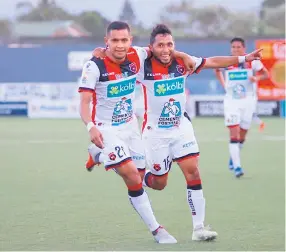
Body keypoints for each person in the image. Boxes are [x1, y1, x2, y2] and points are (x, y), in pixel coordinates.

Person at [89, 24, 263, 241]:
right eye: (160, 45)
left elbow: (213, 62)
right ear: (151, 47)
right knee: (159, 184)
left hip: (181, 127)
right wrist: (98, 50)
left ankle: (199, 228)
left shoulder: (183, 61)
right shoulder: (141, 65)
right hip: (155, 134)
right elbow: (114, 54)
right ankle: (114, 161)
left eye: (170, 44)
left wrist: (244, 59)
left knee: (193, 172)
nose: (165, 49)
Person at [79, 21, 196, 244]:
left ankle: (98, 154)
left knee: (141, 177)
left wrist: (184, 55)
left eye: (124, 40)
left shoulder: (138, 55)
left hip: (131, 126)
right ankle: (157, 230)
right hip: (106, 129)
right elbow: (84, 102)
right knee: (132, 177)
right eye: (114, 40)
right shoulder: (93, 66)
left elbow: (163, 49)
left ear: (130, 41)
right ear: (107, 42)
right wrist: (90, 126)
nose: (120, 45)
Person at [214, 37, 269, 177]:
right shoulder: (227, 61)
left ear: (244, 48)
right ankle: (238, 167)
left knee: (243, 133)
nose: (236, 49)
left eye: (238, 47)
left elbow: (266, 74)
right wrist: (224, 85)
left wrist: (256, 78)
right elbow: (217, 70)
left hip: (248, 101)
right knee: (234, 133)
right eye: (233, 47)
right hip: (232, 102)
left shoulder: (252, 61)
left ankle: (234, 156)